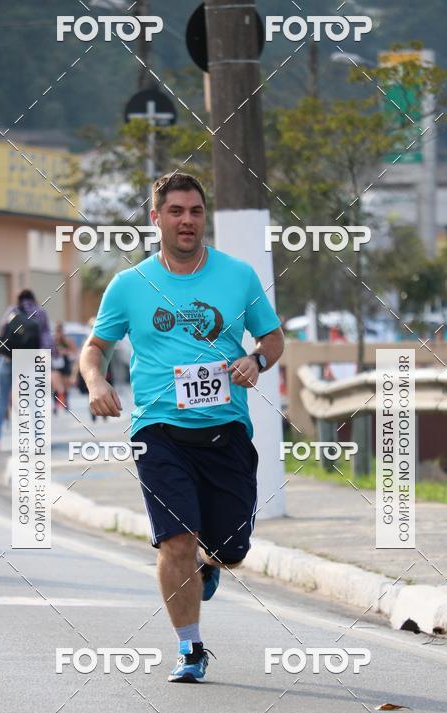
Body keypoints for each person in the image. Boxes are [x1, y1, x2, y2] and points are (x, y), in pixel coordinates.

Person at [80, 172, 284, 683]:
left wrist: (256, 361)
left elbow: (273, 339)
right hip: (158, 430)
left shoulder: (237, 276)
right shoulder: (130, 285)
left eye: (195, 211)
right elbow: (94, 348)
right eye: (175, 211)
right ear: (156, 218)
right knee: (177, 541)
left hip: (226, 430)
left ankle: (212, 563)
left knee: (231, 549)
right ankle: (190, 649)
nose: (186, 220)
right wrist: (95, 381)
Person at [0, 288, 52, 449]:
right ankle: (38, 438)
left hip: (8, 360)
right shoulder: (40, 313)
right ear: (33, 298)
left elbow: (1, 333)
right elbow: (46, 339)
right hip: (28, 361)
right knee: (33, 401)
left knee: (2, 400)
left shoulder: (12, 311)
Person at [51, 322, 77, 413]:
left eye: (60, 331)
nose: (58, 333)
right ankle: (55, 404)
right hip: (55, 365)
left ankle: (65, 402)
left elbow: (74, 352)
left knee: (65, 385)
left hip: (65, 365)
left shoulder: (67, 341)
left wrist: (65, 352)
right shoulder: (52, 341)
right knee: (56, 385)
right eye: (57, 331)